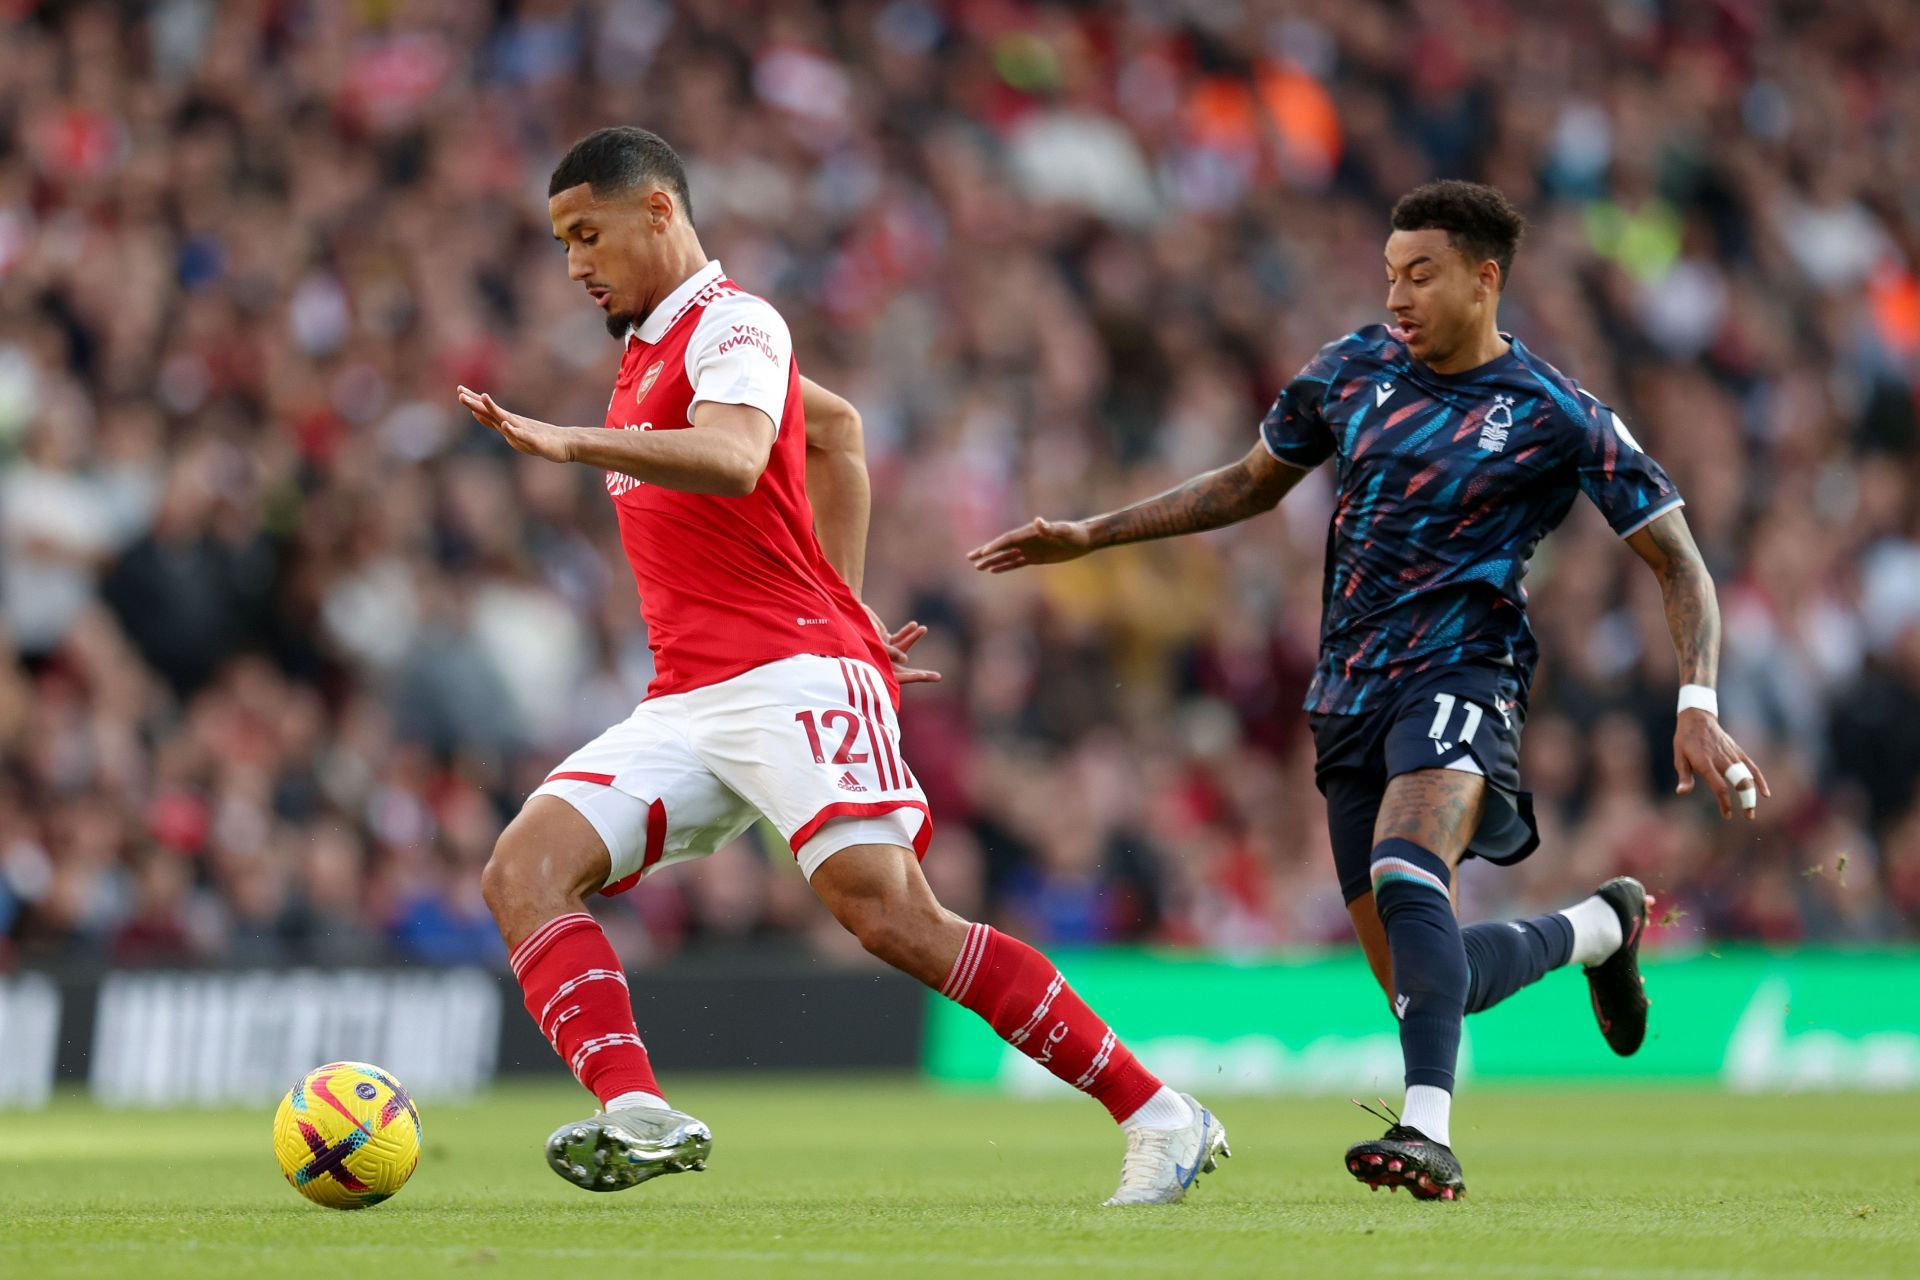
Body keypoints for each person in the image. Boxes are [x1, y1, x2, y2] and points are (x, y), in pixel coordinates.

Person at [457, 126, 1228, 1206]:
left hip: (787, 677)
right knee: (522, 868)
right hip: (687, 698)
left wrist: (574, 442)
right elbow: (840, 432)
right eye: (561, 242)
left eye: (589, 234)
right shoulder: (649, 352)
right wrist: (850, 596)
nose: (575, 262)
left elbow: (732, 456)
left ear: (660, 213)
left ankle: (1161, 1110)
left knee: (893, 919)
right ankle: (634, 1108)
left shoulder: (734, 323)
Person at [969, 180, 1768, 1201]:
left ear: (1486, 279)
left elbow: (1682, 562)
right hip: (1348, 692)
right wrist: (1093, 531)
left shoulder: (1555, 414)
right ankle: (1600, 928)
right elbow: (1252, 482)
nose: (1398, 295)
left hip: (1465, 673)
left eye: (1421, 274)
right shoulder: (1349, 371)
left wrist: (1695, 702)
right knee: (1420, 978)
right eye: (1390, 273)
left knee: (1406, 866)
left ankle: (1426, 1127)